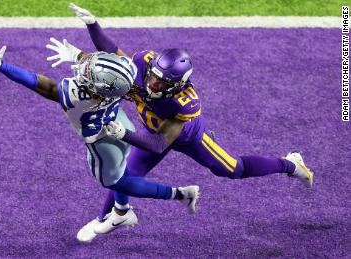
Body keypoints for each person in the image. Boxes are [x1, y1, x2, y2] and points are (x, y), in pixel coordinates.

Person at [68, 3, 315, 243]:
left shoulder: (184, 103)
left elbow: (156, 144)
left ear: (177, 85)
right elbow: (114, 53)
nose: (153, 84)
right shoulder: (144, 65)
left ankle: (290, 164)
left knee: (233, 169)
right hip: (151, 129)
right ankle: (116, 216)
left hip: (187, 138)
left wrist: (123, 134)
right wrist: (92, 25)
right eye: (153, 77)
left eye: (161, 83)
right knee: (122, 173)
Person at [0, 36, 200, 242]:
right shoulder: (124, 78)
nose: (85, 68)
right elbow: (113, 63)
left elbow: (45, 86)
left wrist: (2, 66)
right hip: (121, 124)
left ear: (98, 88)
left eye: (89, 71)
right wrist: (78, 53)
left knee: (117, 181)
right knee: (122, 173)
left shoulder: (76, 95)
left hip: (102, 144)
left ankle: (179, 194)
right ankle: (121, 211)